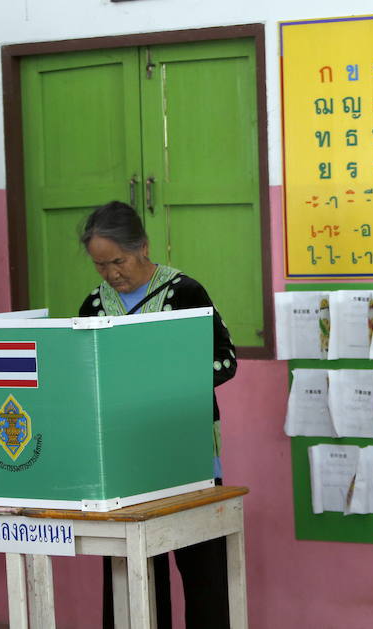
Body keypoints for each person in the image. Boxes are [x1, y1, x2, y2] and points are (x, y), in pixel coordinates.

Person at [78, 200, 237, 629]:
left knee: (202, 569)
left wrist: (167, 382)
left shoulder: (185, 292)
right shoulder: (94, 306)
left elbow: (226, 361)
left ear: (143, 247)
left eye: (118, 261)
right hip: (122, 459)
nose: (112, 274)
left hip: (187, 453)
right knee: (133, 573)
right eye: (100, 265)